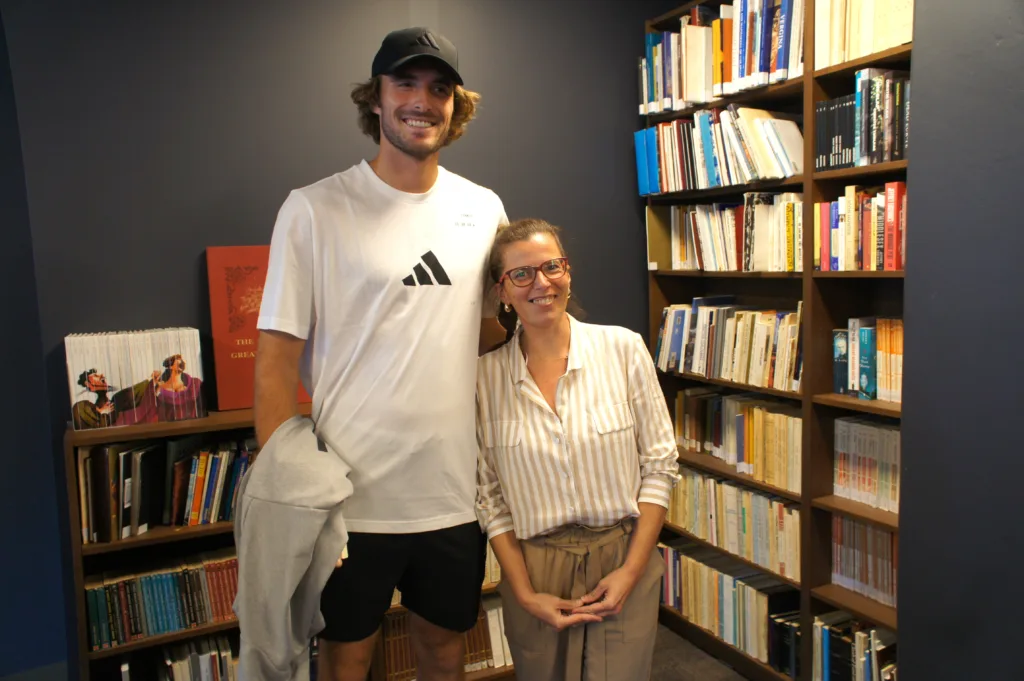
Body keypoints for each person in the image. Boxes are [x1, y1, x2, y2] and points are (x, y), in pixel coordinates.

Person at [253, 26, 508, 681]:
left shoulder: (483, 210)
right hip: (347, 499)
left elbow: (483, 333)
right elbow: (277, 358)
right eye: (405, 83)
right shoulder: (312, 209)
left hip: (451, 495)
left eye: (439, 88)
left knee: (445, 652)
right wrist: (287, 495)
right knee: (347, 658)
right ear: (375, 98)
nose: (422, 100)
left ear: (456, 106)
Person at [475, 218, 680, 681]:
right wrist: (525, 594)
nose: (541, 283)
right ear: (502, 292)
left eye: (552, 266)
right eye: (521, 274)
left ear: (568, 272)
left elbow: (660, 467)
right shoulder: (485, 380)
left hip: (623, 554)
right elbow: (489, 497)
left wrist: (630, 570)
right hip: (535, 567)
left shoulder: (624, 350)